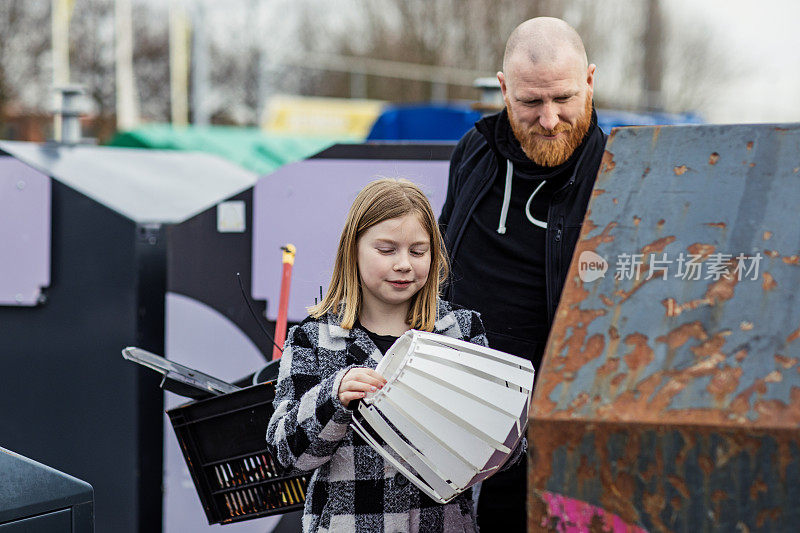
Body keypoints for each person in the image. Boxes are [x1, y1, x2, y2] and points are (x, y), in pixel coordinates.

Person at [439, 17, 608, 532]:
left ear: (590, 82)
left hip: (569, 435)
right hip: (467, 427)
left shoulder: (620, 171)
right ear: (504, 89)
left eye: (563, 98)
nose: (550, 119)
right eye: (531, 103)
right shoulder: (475, 153)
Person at [267, 179, 495, 532]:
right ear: (353, 250)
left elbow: (504, 450)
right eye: (387, 249)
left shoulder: (461, 331)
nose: (404, 264)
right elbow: (286, 456)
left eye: (418, 251)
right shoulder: (313, 337)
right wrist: (333, 397)